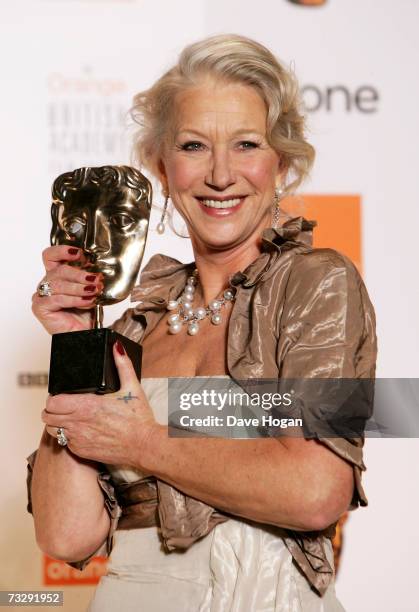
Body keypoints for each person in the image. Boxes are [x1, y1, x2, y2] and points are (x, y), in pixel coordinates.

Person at [29, 34, 377, 611]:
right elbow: (67, 535)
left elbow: (316, 492)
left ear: (280, 163)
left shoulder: (317, 284)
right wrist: (75, 338)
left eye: (246, 144)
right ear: (163, 168)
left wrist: (142, 442)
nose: (220, 175)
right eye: (193, 146)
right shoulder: (132, 330)